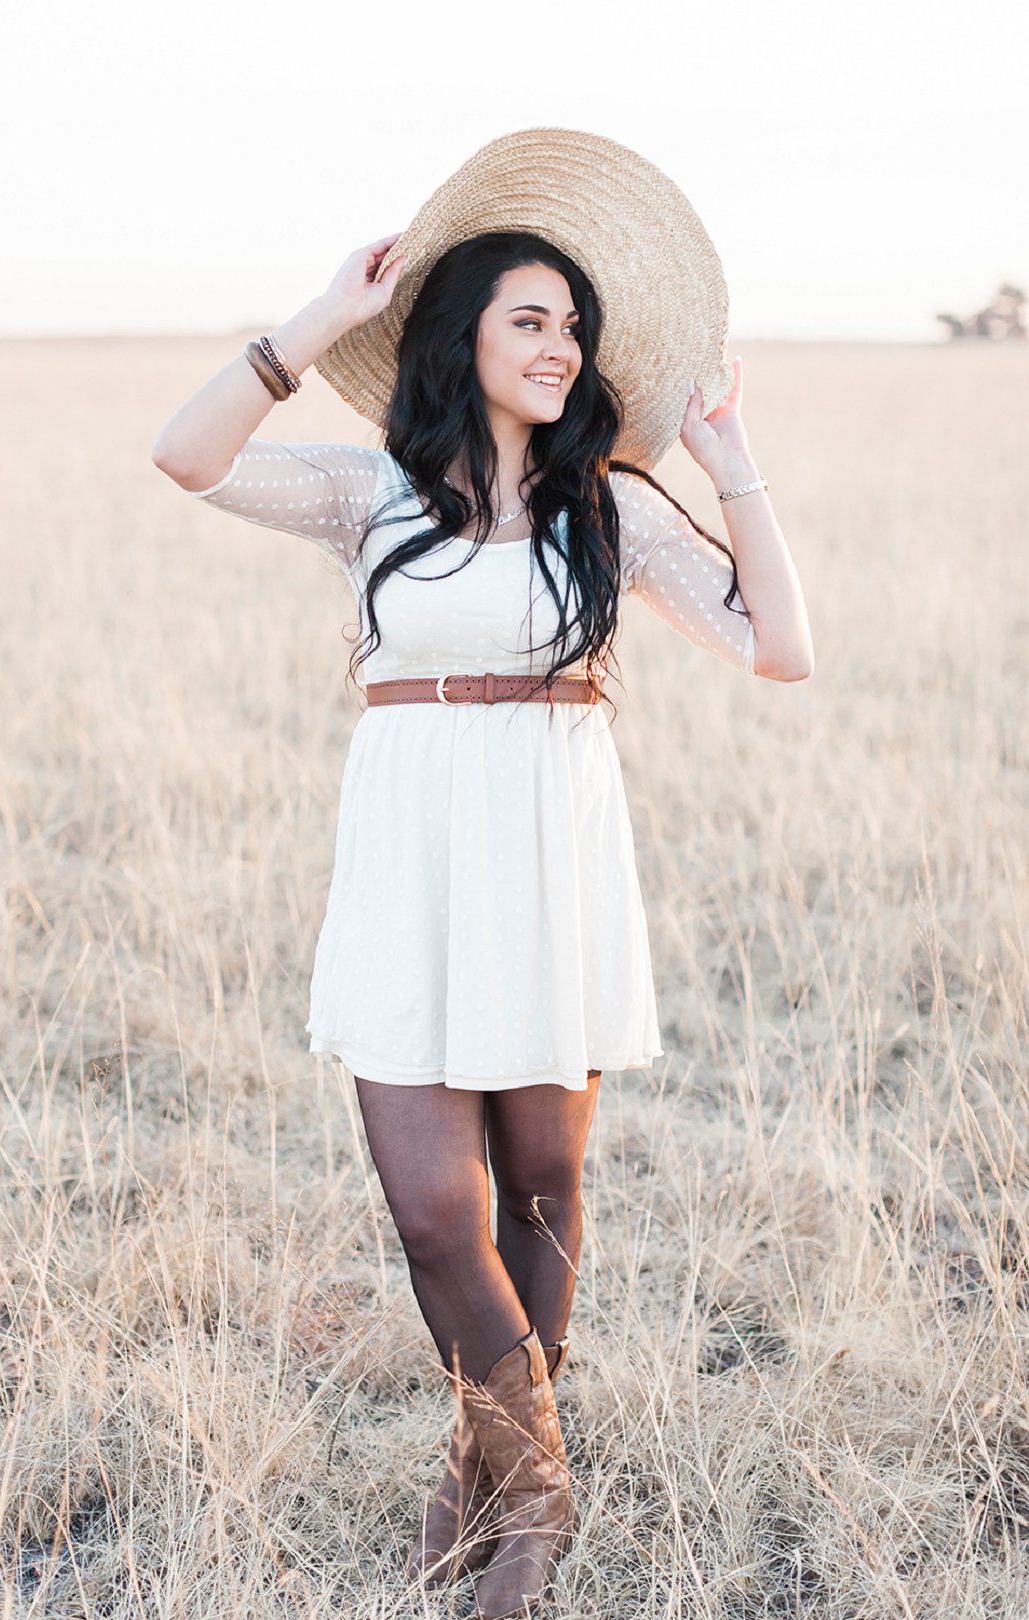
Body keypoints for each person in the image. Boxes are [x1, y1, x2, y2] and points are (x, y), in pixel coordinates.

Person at [151, 128, 813, 1620]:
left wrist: (730, 458)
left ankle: (497, 1490)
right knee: (438, 1215)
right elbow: (183, 458)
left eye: (576, 327)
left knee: (541, 1191)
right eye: (533, 319)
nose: (563, 348)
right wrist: (318, 320)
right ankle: (546, 1478)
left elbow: (785, 651)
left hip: (553, 860)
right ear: (462, 339)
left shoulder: (611, 510)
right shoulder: (367, 492)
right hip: (409, 857)